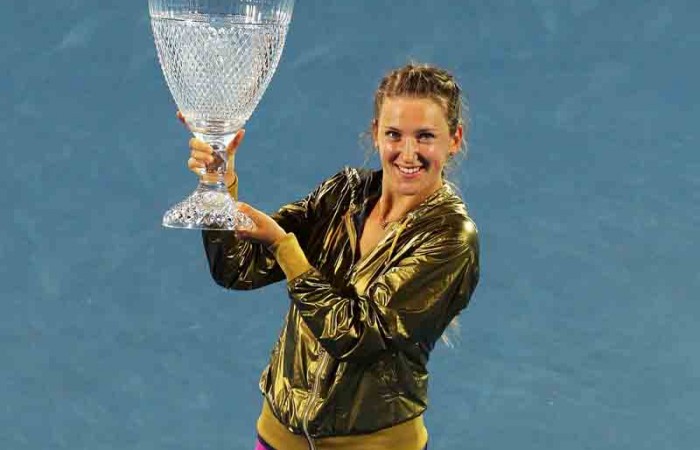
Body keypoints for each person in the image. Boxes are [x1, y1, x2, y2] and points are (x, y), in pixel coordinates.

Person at [183, 63, 480, 450]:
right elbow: (237, 268)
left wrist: (286, 249)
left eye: (425, 136)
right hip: (278, 438)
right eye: (394, 134)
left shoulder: (451, 238)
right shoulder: (342, 194)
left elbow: (357, 336)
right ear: (376, 133)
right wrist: (219, 188)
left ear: (454, 139)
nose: (408, 153)